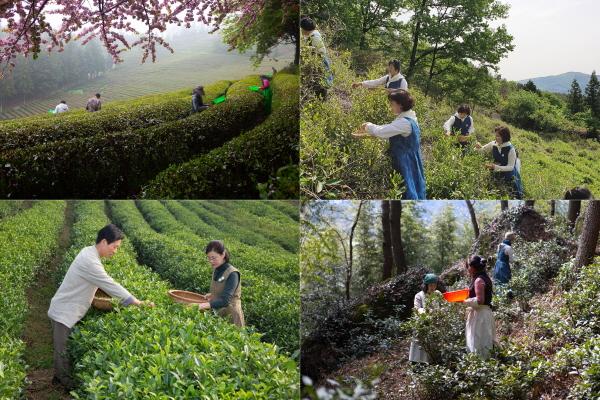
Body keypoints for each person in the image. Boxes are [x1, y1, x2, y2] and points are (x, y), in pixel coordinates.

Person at [47, 224, 154, 388]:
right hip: (64, 312)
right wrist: (136, 302)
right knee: (62, 351)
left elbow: (99, 282)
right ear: (104, 242)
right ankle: (65, 384)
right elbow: (109, 283)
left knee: (63, 348)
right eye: (115, 247)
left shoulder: (88, 252)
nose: (115, 251)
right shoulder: (90, 261)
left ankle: (59, 379)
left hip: (67, 308)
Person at [359, 90, 427, 199]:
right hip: (412, 158)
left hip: (405, 161)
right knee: (414, 184)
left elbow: (383, 131)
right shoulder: (410, 117)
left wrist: (368, 126)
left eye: (392, 104)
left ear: (400, 105)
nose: (390, 106)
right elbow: (391, 128)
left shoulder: (404, 122)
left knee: (407, 189)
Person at [195, 240, 245, 327]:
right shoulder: (217, 269)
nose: (211, 261)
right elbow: (222, 287)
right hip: (219, 311)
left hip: (231, 315)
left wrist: (203, 305)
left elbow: (225, 300)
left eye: (213, 258)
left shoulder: (233, 274)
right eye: (209, 258)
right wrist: (213, 294)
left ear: (223, 255)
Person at [474, 126, 523, 199]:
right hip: (496, 170)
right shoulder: (493, 144)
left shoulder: (511, 149)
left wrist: (495, 167)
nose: (496, 138)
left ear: (505, 137)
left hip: (508, 174)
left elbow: (511, 167)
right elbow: (482, 151)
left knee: (513, 194)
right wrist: (477, 147)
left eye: (498, 136)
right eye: (496, 135)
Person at [463, 255, 495, 359]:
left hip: (479, 315)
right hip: (485, 313)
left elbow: (480, 300)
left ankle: (479, 368)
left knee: (477, 342)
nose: (468, 269)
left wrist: (464, 301)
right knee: (485, 341)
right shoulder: (484, 278)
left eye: (469, 266)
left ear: (473, 268)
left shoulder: (478, 280)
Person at [409, 273, 442, 363]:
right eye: (431, 285)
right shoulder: (419, 295)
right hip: (422, 323)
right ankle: (417, 362)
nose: (433, 287)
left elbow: (442, 306)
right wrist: (429, 312)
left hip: (435, 323)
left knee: (432, 345)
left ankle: (431, 362)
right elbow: (417, 309)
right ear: (426, 285)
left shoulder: (437, 294)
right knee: (420, 344)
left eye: (434, 285)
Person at [301, 17, 333, 98]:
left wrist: (306, 48)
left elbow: (321, 51)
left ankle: (322, 100)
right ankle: (319, 99)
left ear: (305, 28)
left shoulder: (314, 36)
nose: (301, 30)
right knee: (318, 81)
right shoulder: (312, 34)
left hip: (320, 60)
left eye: (302, 28)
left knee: (321, 80)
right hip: (318, 60)